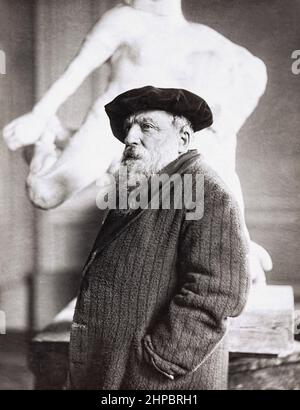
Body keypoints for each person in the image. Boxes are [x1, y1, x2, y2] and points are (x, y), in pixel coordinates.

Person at [2, 0, 271, 283]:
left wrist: (241, 239)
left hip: (155, 142)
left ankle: (63, 137)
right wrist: (38, 115)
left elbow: (224, 157)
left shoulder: (217, 47)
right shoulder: (123, 20)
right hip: (106, 130)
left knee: (206, 167)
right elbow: (75, 73)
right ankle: (47, 141)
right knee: (44, 193)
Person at [67, 86, 250, 390]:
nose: (130, 138)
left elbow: (218, 293)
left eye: (147, 127)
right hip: (122, 373)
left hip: (160, 382)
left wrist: (160, 359)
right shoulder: (142, 187)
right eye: (128, 128)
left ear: (183, 139)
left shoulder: (208, 191)